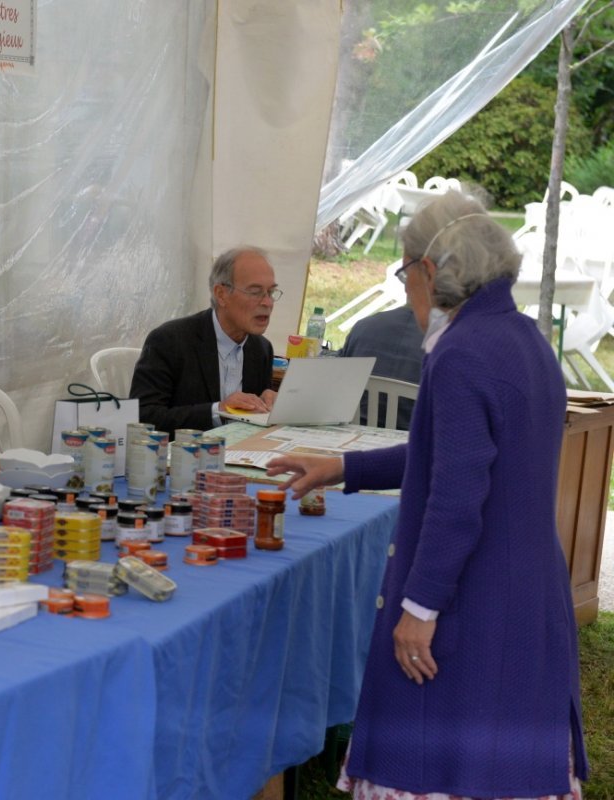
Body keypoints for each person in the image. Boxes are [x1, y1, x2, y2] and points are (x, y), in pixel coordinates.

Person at [267, 191, 587, 799]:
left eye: (404, 272)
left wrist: (419, 608)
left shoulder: (461, 352)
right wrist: (340, 466)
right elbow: (455, 453)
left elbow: (457, 496)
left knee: (447, 761)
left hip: (476, 596)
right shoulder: (526, 340)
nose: (405, 289)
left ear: (431, 271)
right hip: (528, 590)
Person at [129, 246, 278, 435]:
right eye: (255, 292)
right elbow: (144, 417)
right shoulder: (170, 341)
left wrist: (267, 404)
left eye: (271, 292)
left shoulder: (261, 349)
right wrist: (218, 411)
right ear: (221, 294)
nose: (267, 303)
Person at [341, 305, 423, 430]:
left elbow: (339, 379)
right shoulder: (447, 343)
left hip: (355, 432)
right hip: (412, 441)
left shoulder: (364, 326)